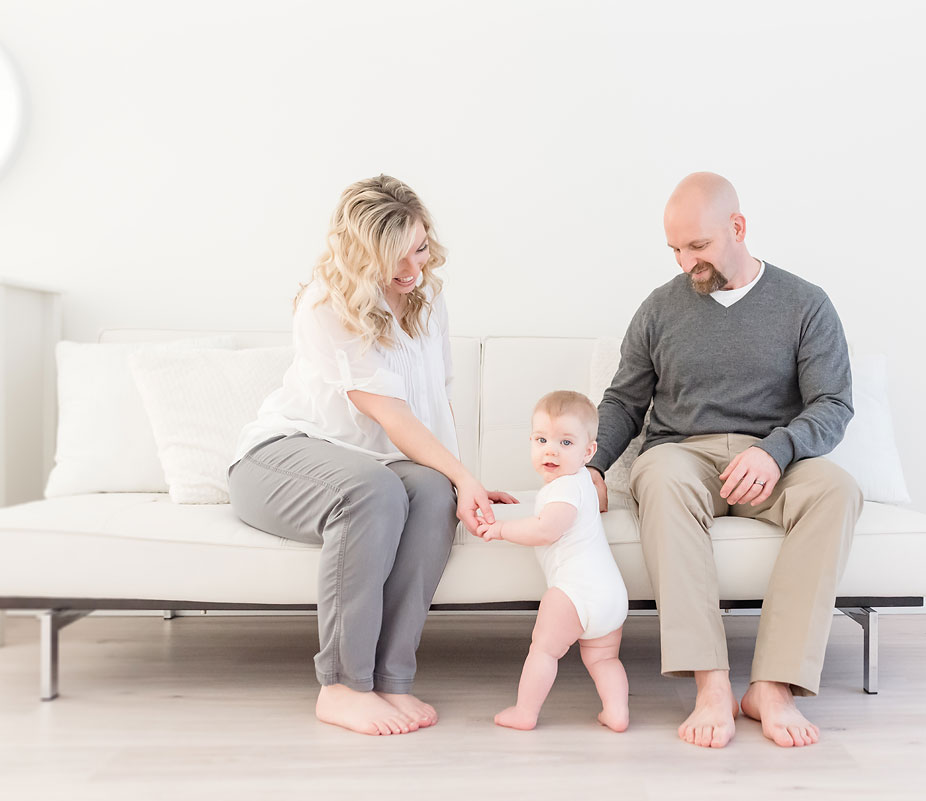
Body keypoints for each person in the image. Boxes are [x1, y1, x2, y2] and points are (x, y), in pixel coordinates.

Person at [227, 175, 515, 737]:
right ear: (361, 256)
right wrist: (463, 475)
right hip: (280, 457)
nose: (413, 269)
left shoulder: (428, 299)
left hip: (371, 466)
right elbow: (393, 415)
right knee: (373, 491)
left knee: (432, 492)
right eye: (394, 257)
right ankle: (341, 686)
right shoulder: (325, 304)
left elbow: (436, 402)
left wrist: (462, 482)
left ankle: (390, 680)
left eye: (421, 248)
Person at [586, 172, 864, 749]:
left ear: (737, 228)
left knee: (837, 489)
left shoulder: (805, 303)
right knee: (659, 477)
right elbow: (624, 400)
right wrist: (592, 464)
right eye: (676, 250)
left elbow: (832, 405)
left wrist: (777, 448)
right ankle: (711, 683)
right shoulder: (660, 308)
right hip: (683, 455)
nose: (687, 262)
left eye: (699, 246)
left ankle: (773, 686)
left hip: (774, 461)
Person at [477, 391, 629, 733]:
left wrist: (501, 528)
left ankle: (525, 711)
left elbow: (547, 529)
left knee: (544, 651)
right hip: (611, 596)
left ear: (588, 451)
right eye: (542, 439)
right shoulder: (583, 484)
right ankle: (616, 712)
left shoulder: (563, 489)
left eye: (565, 442)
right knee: (604, 658)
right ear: (530, 441)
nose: (551, 450)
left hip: (574, 592)